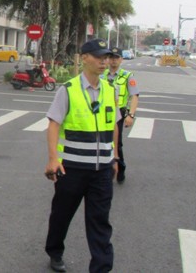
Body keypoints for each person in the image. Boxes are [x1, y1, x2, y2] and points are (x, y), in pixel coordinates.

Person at [44, 39, 121, 273]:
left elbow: (114, 125)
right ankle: (54, 252)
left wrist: (115, 157)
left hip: (102, 170)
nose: (104, 62)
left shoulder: (110, 89)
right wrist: (53, 159)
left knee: (99, 222)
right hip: (72, 169)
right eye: (99, 57)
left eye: (106, 57)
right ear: (84, 58)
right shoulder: (68, 89)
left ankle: (101, 268)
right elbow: (53, 124)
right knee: (62, 215)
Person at [102, 47, 139, 183]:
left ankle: (120, 168)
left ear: (121, 59)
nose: (113, 61)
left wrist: (131, 115)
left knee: (116, 143)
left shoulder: (127, 76)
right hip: (102, 112)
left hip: (119, 112)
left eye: (116, 58)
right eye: (111, 57)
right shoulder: (102, 75)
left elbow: (134, 96)